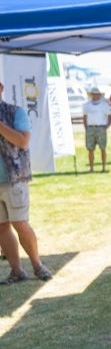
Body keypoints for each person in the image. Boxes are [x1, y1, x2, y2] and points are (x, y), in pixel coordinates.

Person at [0, 78, 53, 285]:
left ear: (2, 88)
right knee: (2, 227)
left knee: (20, 223)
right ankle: (16, 271)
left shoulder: (16, 112)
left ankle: (38, 265)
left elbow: (22, 141)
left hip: (14, 179)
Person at [82, 86, 111, 173]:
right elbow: (84, 117)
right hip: (90, 128)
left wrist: (106, 127)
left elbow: (109, 117)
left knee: (103, 148)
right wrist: (86, 127)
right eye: (94, 94)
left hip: (101, 127)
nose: (96, 96)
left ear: (99, 95)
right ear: (91, 95)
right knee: (90, 149)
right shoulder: (86, 105)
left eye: (97, 94)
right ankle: (91, 168)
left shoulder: (104, 105)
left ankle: (103, 167)